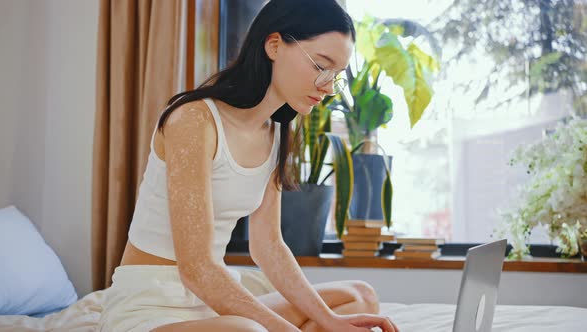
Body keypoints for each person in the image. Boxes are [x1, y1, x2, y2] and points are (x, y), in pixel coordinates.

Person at [97, 0, 399, 331]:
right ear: (274, 45)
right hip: (152, 305)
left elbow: (268, 245)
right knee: (250, 330)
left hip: (212, 306)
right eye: (320, 66)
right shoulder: (194, 120)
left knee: (359, 297)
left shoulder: (276, 131)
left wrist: (329, 319)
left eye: (336, 76)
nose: (327, 87)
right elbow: (196, 268)